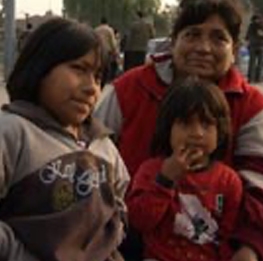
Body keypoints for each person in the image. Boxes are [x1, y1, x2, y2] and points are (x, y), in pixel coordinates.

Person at [95, 0, 263, 260]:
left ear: (235, 50)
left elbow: (258, 188)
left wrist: (249, 248)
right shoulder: (128, 89)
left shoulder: (252, 106)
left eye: (219, 38)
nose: (203, 48)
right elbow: (87, 158)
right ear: (173, 42)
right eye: (192, 35)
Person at [0, 17, 129, 261]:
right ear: (39, 68)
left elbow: (119, 202)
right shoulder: (13, 133)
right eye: (79, 69)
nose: (91, 88)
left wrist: (114, 234)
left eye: (98, 76)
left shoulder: (103, 145)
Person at [127, 76, 243, 261]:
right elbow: (139, 221)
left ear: (220, 132)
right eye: (186, 123)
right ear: (168, 128)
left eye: (206, 124)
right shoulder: (151, 170)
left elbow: (229, 236)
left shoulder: (229, 181)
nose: (196, 133)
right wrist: (165, 180)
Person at [95, 17, 119, 87]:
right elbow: (112, 42)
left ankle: (98, 80)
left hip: (98, 50)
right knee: (106, 67)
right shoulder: (109, 30)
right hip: (107, 51)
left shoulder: (96, 29)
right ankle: (104, 82)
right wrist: (115, 52)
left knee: (99, 66)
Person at [246, 13, 263, 82]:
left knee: (252, 63)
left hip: (253, 46)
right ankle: (258, 78)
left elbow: (247, 37)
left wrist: (248, 40)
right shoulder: (261, 25)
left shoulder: (251, 26)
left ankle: (251, 79)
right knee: (260, 63)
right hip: (261, 46)